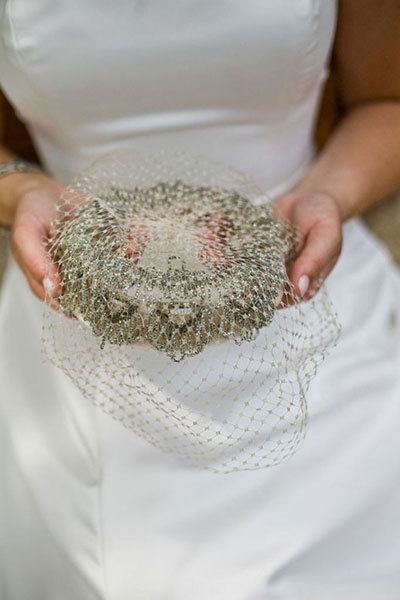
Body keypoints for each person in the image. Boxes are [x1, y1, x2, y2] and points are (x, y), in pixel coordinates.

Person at [1, 1, 400, 598]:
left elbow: (385, 103)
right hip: (81, 322)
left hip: (306, 302)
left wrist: (327, 196)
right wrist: (20, 189)